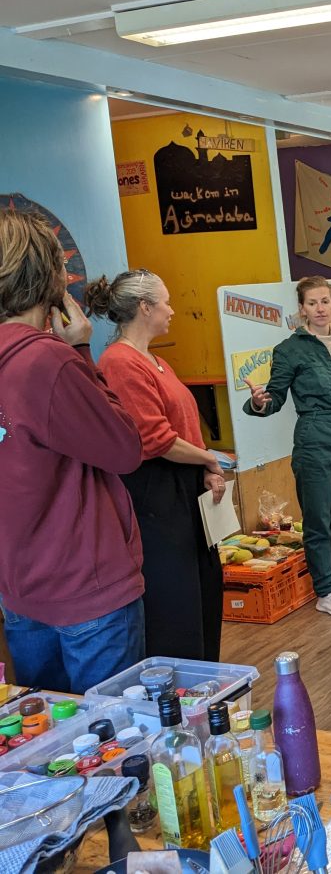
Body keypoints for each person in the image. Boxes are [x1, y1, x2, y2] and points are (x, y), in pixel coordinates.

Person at [0, 209, 145, 692]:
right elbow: (124, 448)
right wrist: (81, 350)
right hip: (86, 587)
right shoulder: (47, 360)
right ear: (45, 275)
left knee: (53, 752)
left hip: (20, 587)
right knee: (113, 747)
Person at [88, 270, 225, 661]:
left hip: (186, 487)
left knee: (204, 591)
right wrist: (209, 458)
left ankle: (207, 685)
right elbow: (154, 439)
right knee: (177, 603)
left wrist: (204, 468)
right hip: (157, 497)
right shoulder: (119, 362)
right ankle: (180, 698)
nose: (172, 310)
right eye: (165, 301)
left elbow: (183, 427)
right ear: (145, 307)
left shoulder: (156, 360)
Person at [244, 276, 331, 619]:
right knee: (319, 516)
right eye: (313, 303)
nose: (320, 308)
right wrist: (260, 401)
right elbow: (274, 398)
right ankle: (326, 590)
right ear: (302, 309)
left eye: (325, 301)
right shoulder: (289, 350)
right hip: (315, 436)